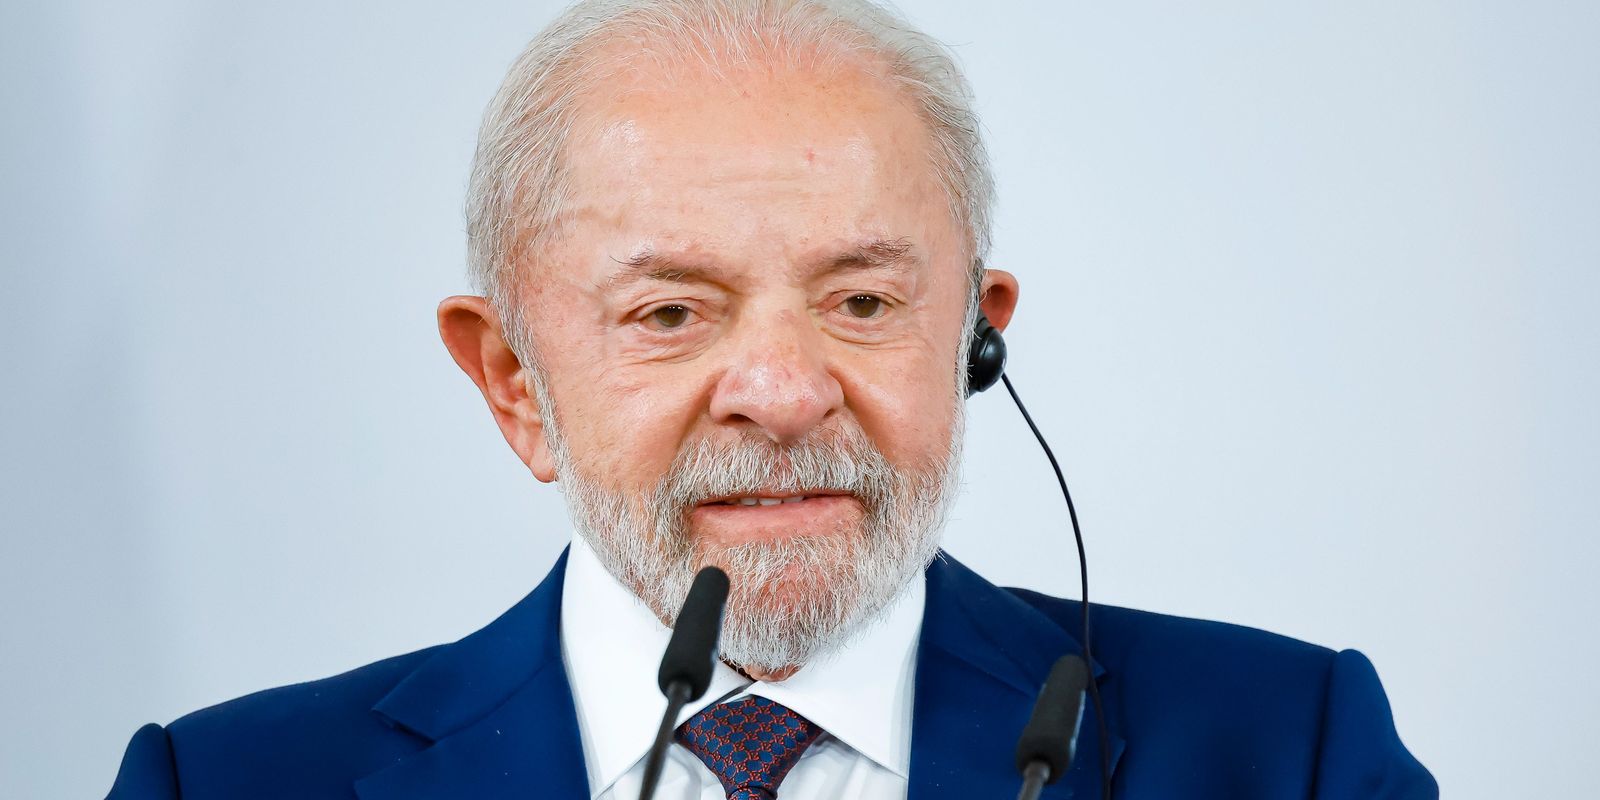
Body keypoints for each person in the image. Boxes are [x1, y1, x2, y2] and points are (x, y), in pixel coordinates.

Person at [107, 1, 1437, 797]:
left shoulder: (1289, 753)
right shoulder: (222, 787)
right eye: (670, 313)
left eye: (862, 302)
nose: (786, 395)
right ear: (514, 382)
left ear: (974, 337)